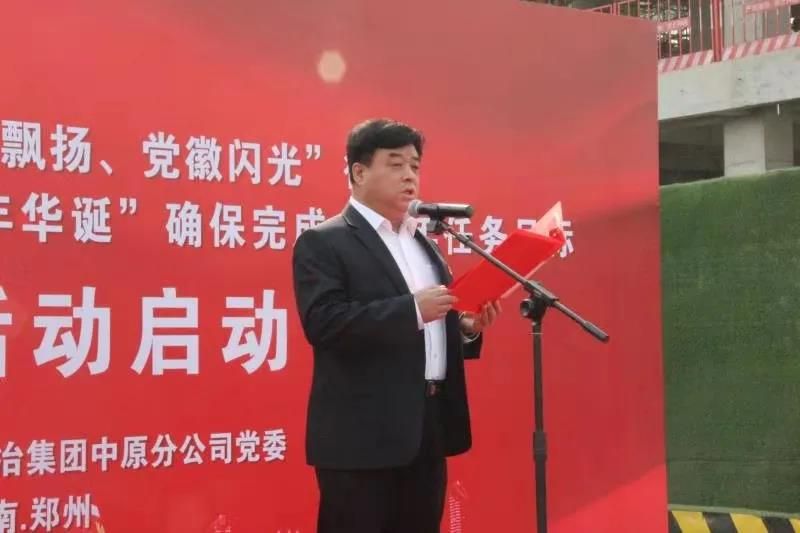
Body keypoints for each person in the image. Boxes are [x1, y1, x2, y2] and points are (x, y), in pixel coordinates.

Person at [291, 118, 501, 533]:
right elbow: (323, 322)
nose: (409, 175)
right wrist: (412, 311)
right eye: (395, 164)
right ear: (358, 172)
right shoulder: (324, 241)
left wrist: (466, 328)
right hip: (361, 439)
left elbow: (431, 327)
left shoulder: (422, 243)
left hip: (427, 427)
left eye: (415, 166)